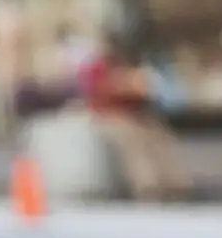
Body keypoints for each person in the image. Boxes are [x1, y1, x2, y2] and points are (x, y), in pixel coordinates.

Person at [79, 37, 191, 202]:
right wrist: (122, 86)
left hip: (134, 114)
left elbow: (144, 93)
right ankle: (147, 186)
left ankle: (176, 183)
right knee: (131, 138)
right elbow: (99, 92)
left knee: (158, 134)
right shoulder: (97, 67)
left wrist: (140, 88)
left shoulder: (133, 65)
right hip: (109, 115)